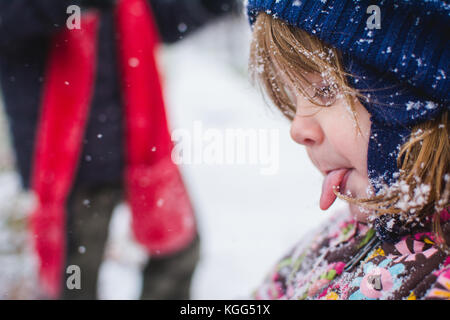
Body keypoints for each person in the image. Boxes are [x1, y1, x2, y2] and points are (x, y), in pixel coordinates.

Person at [0, 0, 237, 299]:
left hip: (141, 149)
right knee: (75, 281)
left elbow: (166, 18)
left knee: (178, 250)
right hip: (70, 165)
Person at [246, 0, 449, 300]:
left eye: (326, 90)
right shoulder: (333, 239)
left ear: (411, 98)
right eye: (293, 95)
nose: (298, 129)